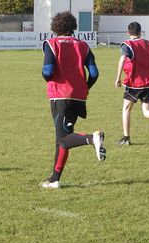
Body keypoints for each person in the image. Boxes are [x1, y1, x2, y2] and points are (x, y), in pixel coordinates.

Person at [40, 11, 105, 189]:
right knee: (63, 138)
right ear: (73, 27)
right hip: (78, 97)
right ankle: (55, 179)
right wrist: (85, 87)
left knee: (63, 138)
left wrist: (50, 80)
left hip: (60, 96)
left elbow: (47, 70)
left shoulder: (52, 44)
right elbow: (94, 73)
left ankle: (92, 138)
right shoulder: (83, 46)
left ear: (55, 27)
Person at [112, 21, 149, 145]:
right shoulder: (148, 43)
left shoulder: (127, 45)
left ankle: (126, 138)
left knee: (126, 109)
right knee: (146, 111)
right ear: (140, 32)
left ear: (128, 33)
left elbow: (122, 59)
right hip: (148, 83)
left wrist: (118, 78)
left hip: (134, 83)